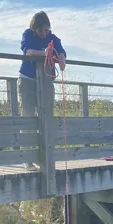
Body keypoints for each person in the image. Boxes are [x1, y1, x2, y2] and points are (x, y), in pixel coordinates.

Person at [18, 11, 66, 170]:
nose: (44, 33)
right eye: (41, 30)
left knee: (46, 116)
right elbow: (29, 52)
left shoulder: (52, 37)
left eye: (46, 30)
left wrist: (61, 58)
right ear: (35, 28)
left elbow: (61, 51)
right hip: (27, 79)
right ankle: (27, 157)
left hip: (46, 81)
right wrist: (45, 53)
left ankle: (43, 156)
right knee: (28, 116)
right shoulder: (28, 34)